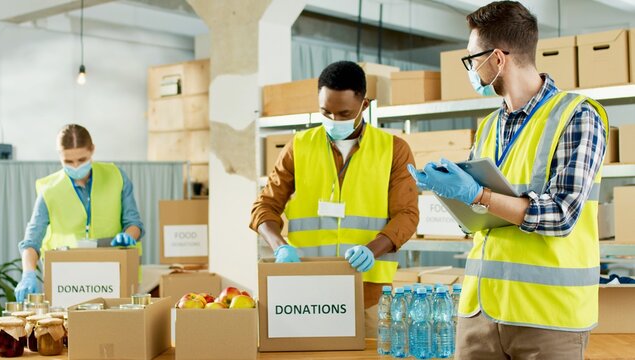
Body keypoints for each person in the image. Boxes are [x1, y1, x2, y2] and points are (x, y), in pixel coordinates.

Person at [408, 2, 608, 358]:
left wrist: (478, 194)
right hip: (480, 313)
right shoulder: (488, 127)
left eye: (472, 59)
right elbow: (480, 220)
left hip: (548, 317)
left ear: (497, 59)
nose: (471, 69)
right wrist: (452, 194)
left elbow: (560, 214)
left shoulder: (577, 116)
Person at [250, 61, 419, 335]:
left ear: (364, 105)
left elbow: (407, 215)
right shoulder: (299, 146)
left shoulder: (393, 150)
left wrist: (372, 249)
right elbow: (264, 206)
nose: (333, 120)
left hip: (368, 292)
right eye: (325, 111)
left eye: (344, 113)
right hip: (306, 291)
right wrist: (279, 246)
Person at [14, 124, 145, 302]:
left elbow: (133, 223)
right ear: (60, 156)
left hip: (114, 274)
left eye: (82, 159)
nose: (75, 166)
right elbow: (31, 240)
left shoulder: (116, 176)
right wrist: (28, 273)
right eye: (68, 161)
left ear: (92, 150)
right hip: (67, 282)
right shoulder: (49, 189)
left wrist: (128, 236)